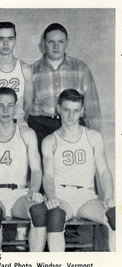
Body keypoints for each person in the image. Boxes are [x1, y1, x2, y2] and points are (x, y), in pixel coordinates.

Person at [42, 89, 115, 252]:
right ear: (58, 108)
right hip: (62, 196)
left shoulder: (93, 136)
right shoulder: (50, 141)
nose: (70, 116)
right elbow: (47, 175)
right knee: (55, 218)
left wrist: (109, 195)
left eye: (76, 111)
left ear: (82, 111)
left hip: (86, 197)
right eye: (66, 110)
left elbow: (104, 171)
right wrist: (52, 196)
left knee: (116, 216)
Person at [0, 87, 46, 252]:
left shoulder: (27, 134)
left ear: (16, 107)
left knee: (39, 211)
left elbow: (36, 170)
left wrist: (34, 191)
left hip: (20, 193)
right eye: (0, 106)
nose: (6, 110)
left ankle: (35, 266)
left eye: (10, 105)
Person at [29, 23, 102, 151]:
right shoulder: (31, 71)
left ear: (67, 42)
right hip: (40, 127)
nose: (56, 46)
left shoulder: (80, 68)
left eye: (61, 41)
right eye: (51, 41)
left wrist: (92, 138)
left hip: (74, 126)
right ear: (43, 43)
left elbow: (93, 108)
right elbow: (24, 108)